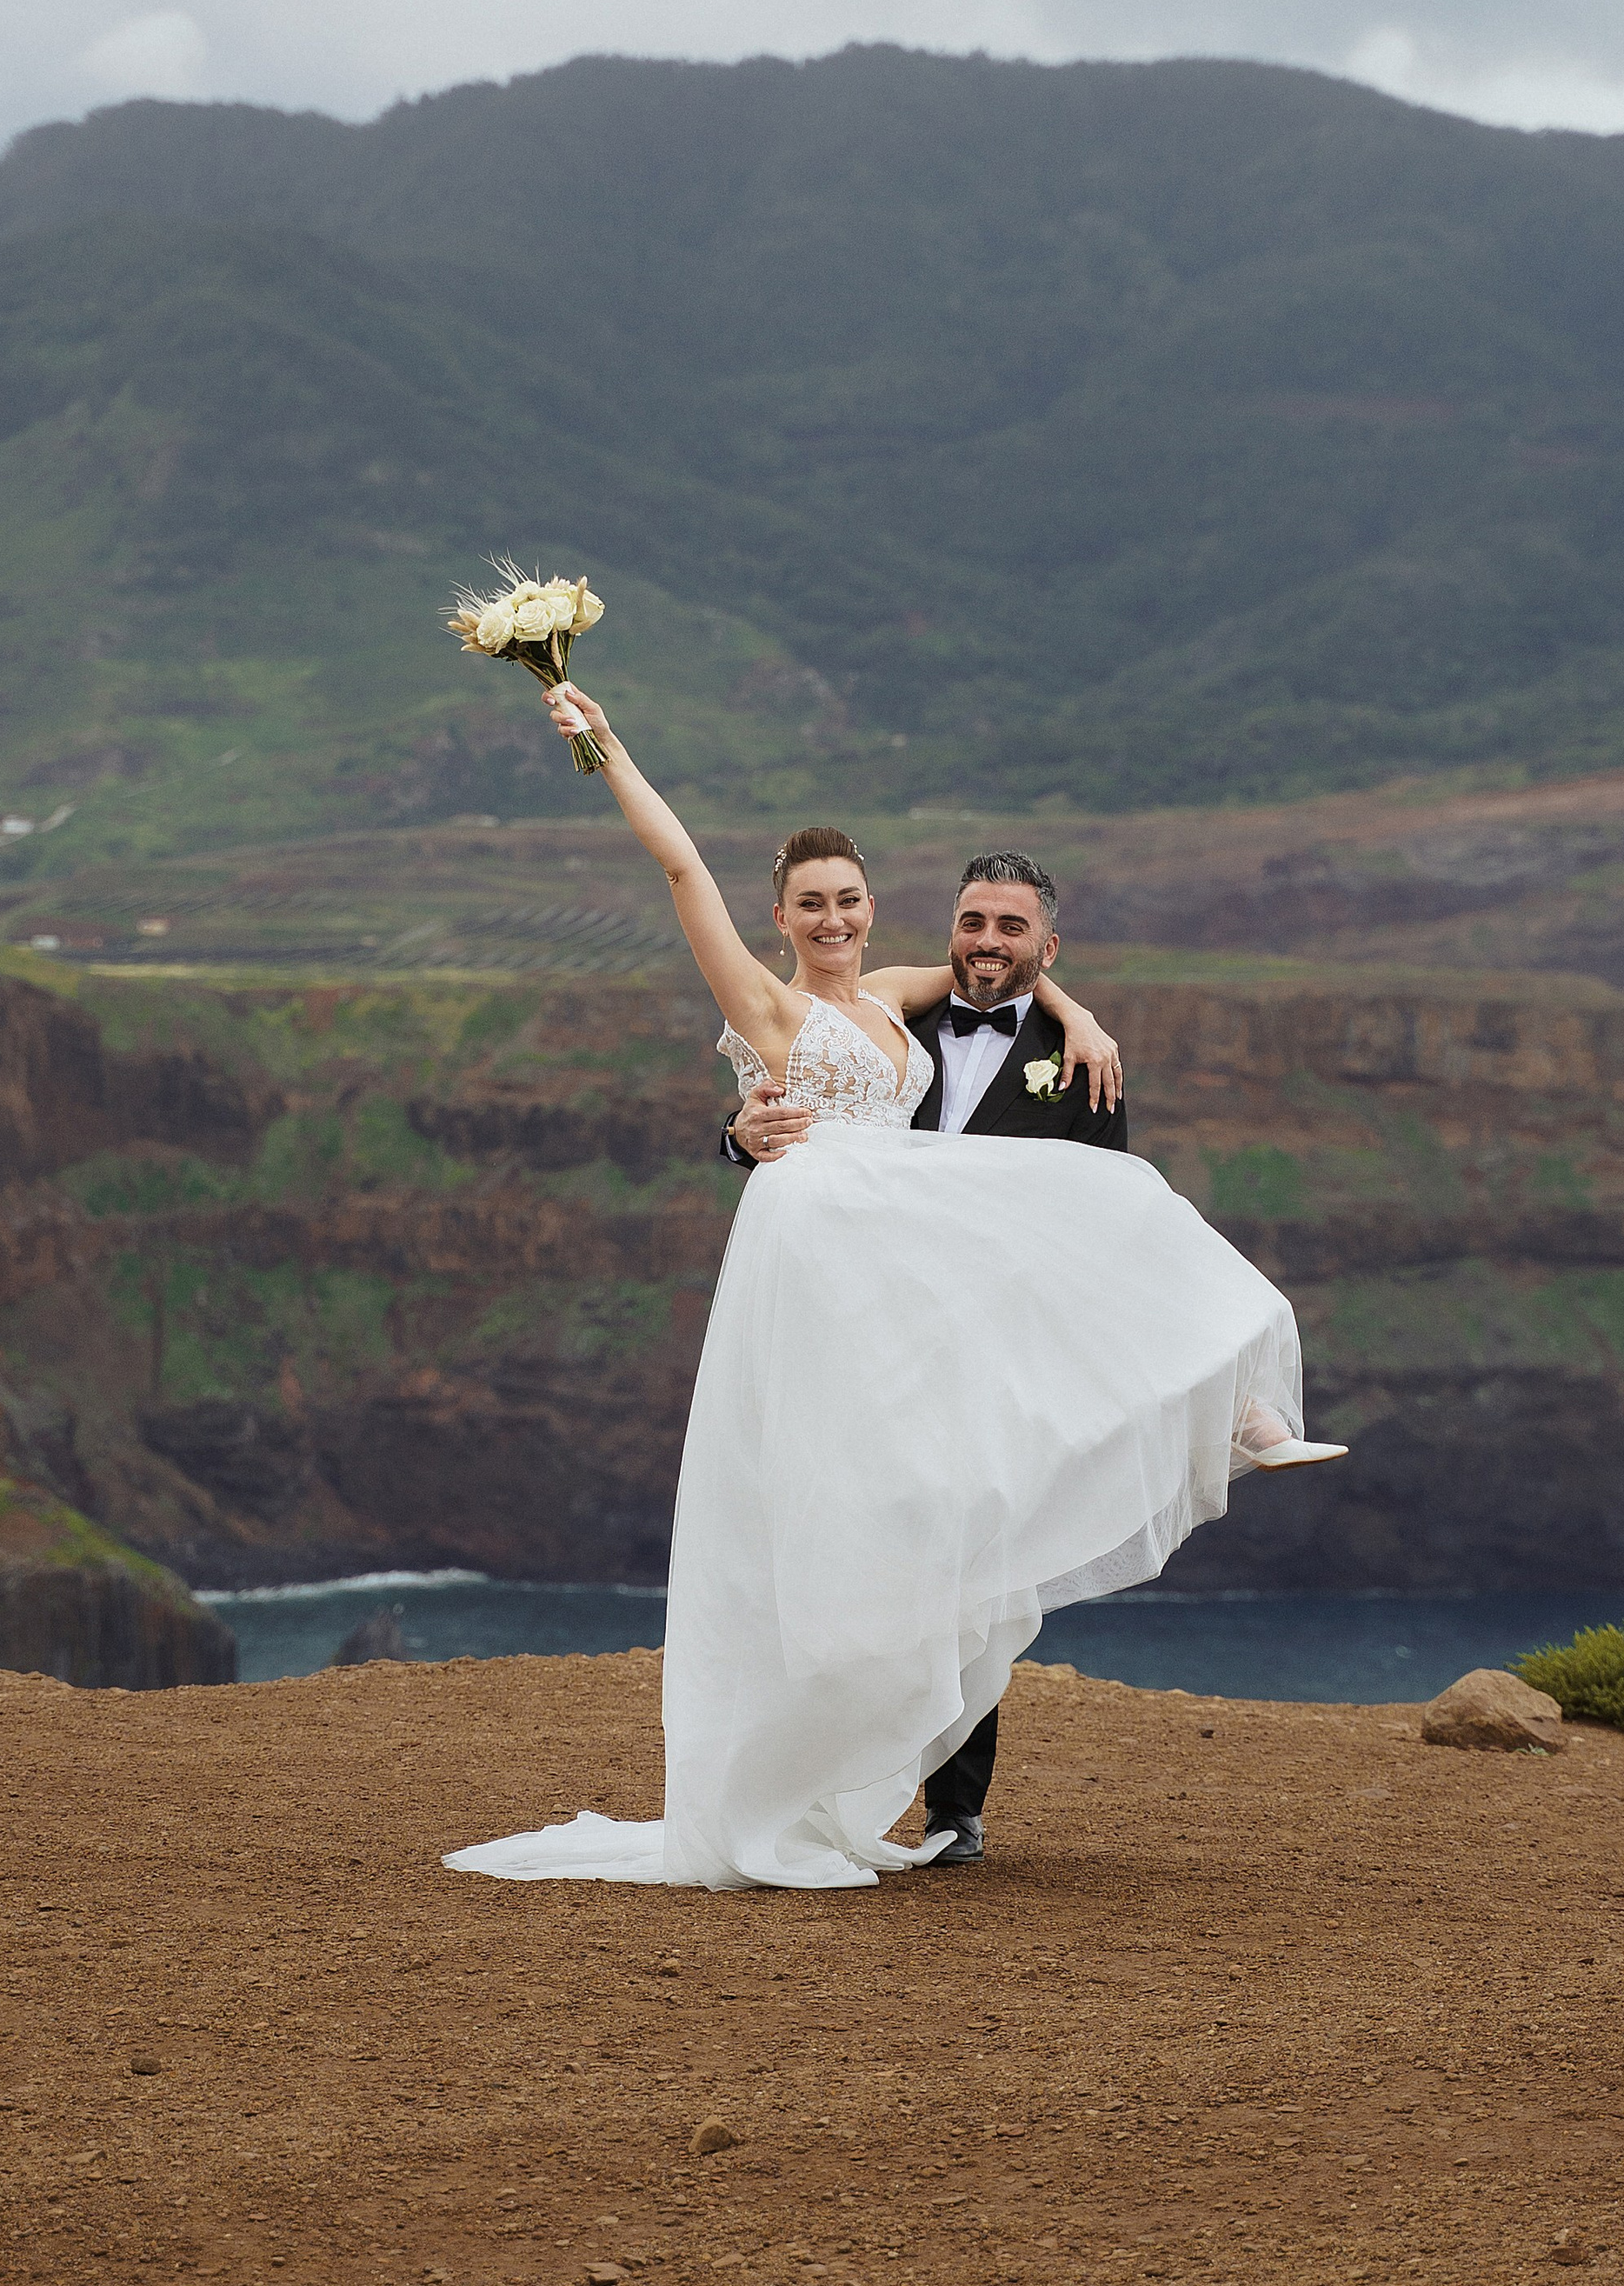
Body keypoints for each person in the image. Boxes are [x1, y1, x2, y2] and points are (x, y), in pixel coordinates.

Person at [443, 679, 1344, 1898]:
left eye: (848, 900)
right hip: (830, 1245)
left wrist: (1071, 1006)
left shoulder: (893, 995)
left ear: (872, 910)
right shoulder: (767, 1005)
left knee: (1104, 1231)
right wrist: (604, 747)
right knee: (862, 1497)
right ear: (779, 917)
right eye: (809, 904)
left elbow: (998, 981)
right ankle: (812, 1750)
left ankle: (1234, 1410)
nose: (832, 919)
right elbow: (677, 873)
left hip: (908, 1247)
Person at [722, 850, 1127, 1870]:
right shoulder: (889, 1015)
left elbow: (1107, 1222)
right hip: (866, 1331)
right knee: (853, 1548)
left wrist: (1073, 1015)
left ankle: (957, 1809)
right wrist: (738, 1136)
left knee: (977, 1576)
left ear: (1047, 944)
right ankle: (820, 1777)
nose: (988, 942)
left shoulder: (1081, 1061)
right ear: (947, 928)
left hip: (991, 1349)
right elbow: (796, 1093)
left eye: (1011, 927)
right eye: (972, 922)